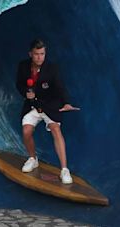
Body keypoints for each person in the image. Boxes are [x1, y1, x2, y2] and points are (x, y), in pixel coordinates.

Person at [16, 39, 79, 184]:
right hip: (32, 105)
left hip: (50, 105)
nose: (40, 57)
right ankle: (33, 159)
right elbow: (19, 84)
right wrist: (26, 93)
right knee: (26, 131)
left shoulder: (52, 68)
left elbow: (60, 87)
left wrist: (67, 103)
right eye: (37, 54)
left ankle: (64, 170)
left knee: (56, 129)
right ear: (30, 54)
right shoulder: (23, 66)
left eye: (42, 54)